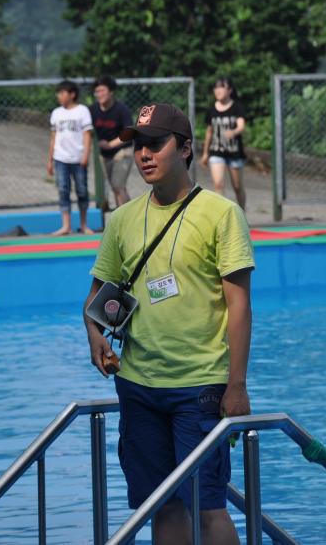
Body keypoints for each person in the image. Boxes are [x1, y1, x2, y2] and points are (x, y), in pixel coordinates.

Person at [84, 103, 255, 544]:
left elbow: (239, 305)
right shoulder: (122, 219)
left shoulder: (222, 214)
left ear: (185, 149)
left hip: (199, 387)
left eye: (156, 144)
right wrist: (94, 335)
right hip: (138, 387)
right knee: (162, 506)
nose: (144, 154)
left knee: (209, 507)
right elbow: (97, 296)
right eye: (138, 145)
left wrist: (236, 385)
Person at [48, 80, 94, 236]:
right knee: (63, 190)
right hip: (60, 158)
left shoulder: (82, 111)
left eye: (62, 93)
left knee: (82, 191)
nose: (59, 96)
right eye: (58, 93)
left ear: (72, 94)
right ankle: (66, 226)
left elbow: (87, 135)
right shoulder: (56, 113)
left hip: (78, 158)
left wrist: (85, 155)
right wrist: (50, 160)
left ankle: (84, 225)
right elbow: (53, 137)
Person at [200, 77, 247, 210]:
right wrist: (205, 153)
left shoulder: (237, 107)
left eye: (222, 87)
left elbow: (241, 126)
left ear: (230, 90)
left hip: (234, 152)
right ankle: (222, 216)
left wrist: (234, 132)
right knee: (218, 184)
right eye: (216, 87)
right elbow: (209, 132)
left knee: (237, 186)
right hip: (216, 151)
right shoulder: (211, 110)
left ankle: (242, 213)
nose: (218, 90)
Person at [89, 75, 134, 209]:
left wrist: (110, 145)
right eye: (97, 91)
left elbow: (129, 133)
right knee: (111, 188)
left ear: (111, 91)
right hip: (103, 155)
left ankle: (128, 216)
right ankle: (121, 215)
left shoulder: (122, 110)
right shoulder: (93, 110)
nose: (99, 94)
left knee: (118, 186)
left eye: (102, 90)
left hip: (122, 151)